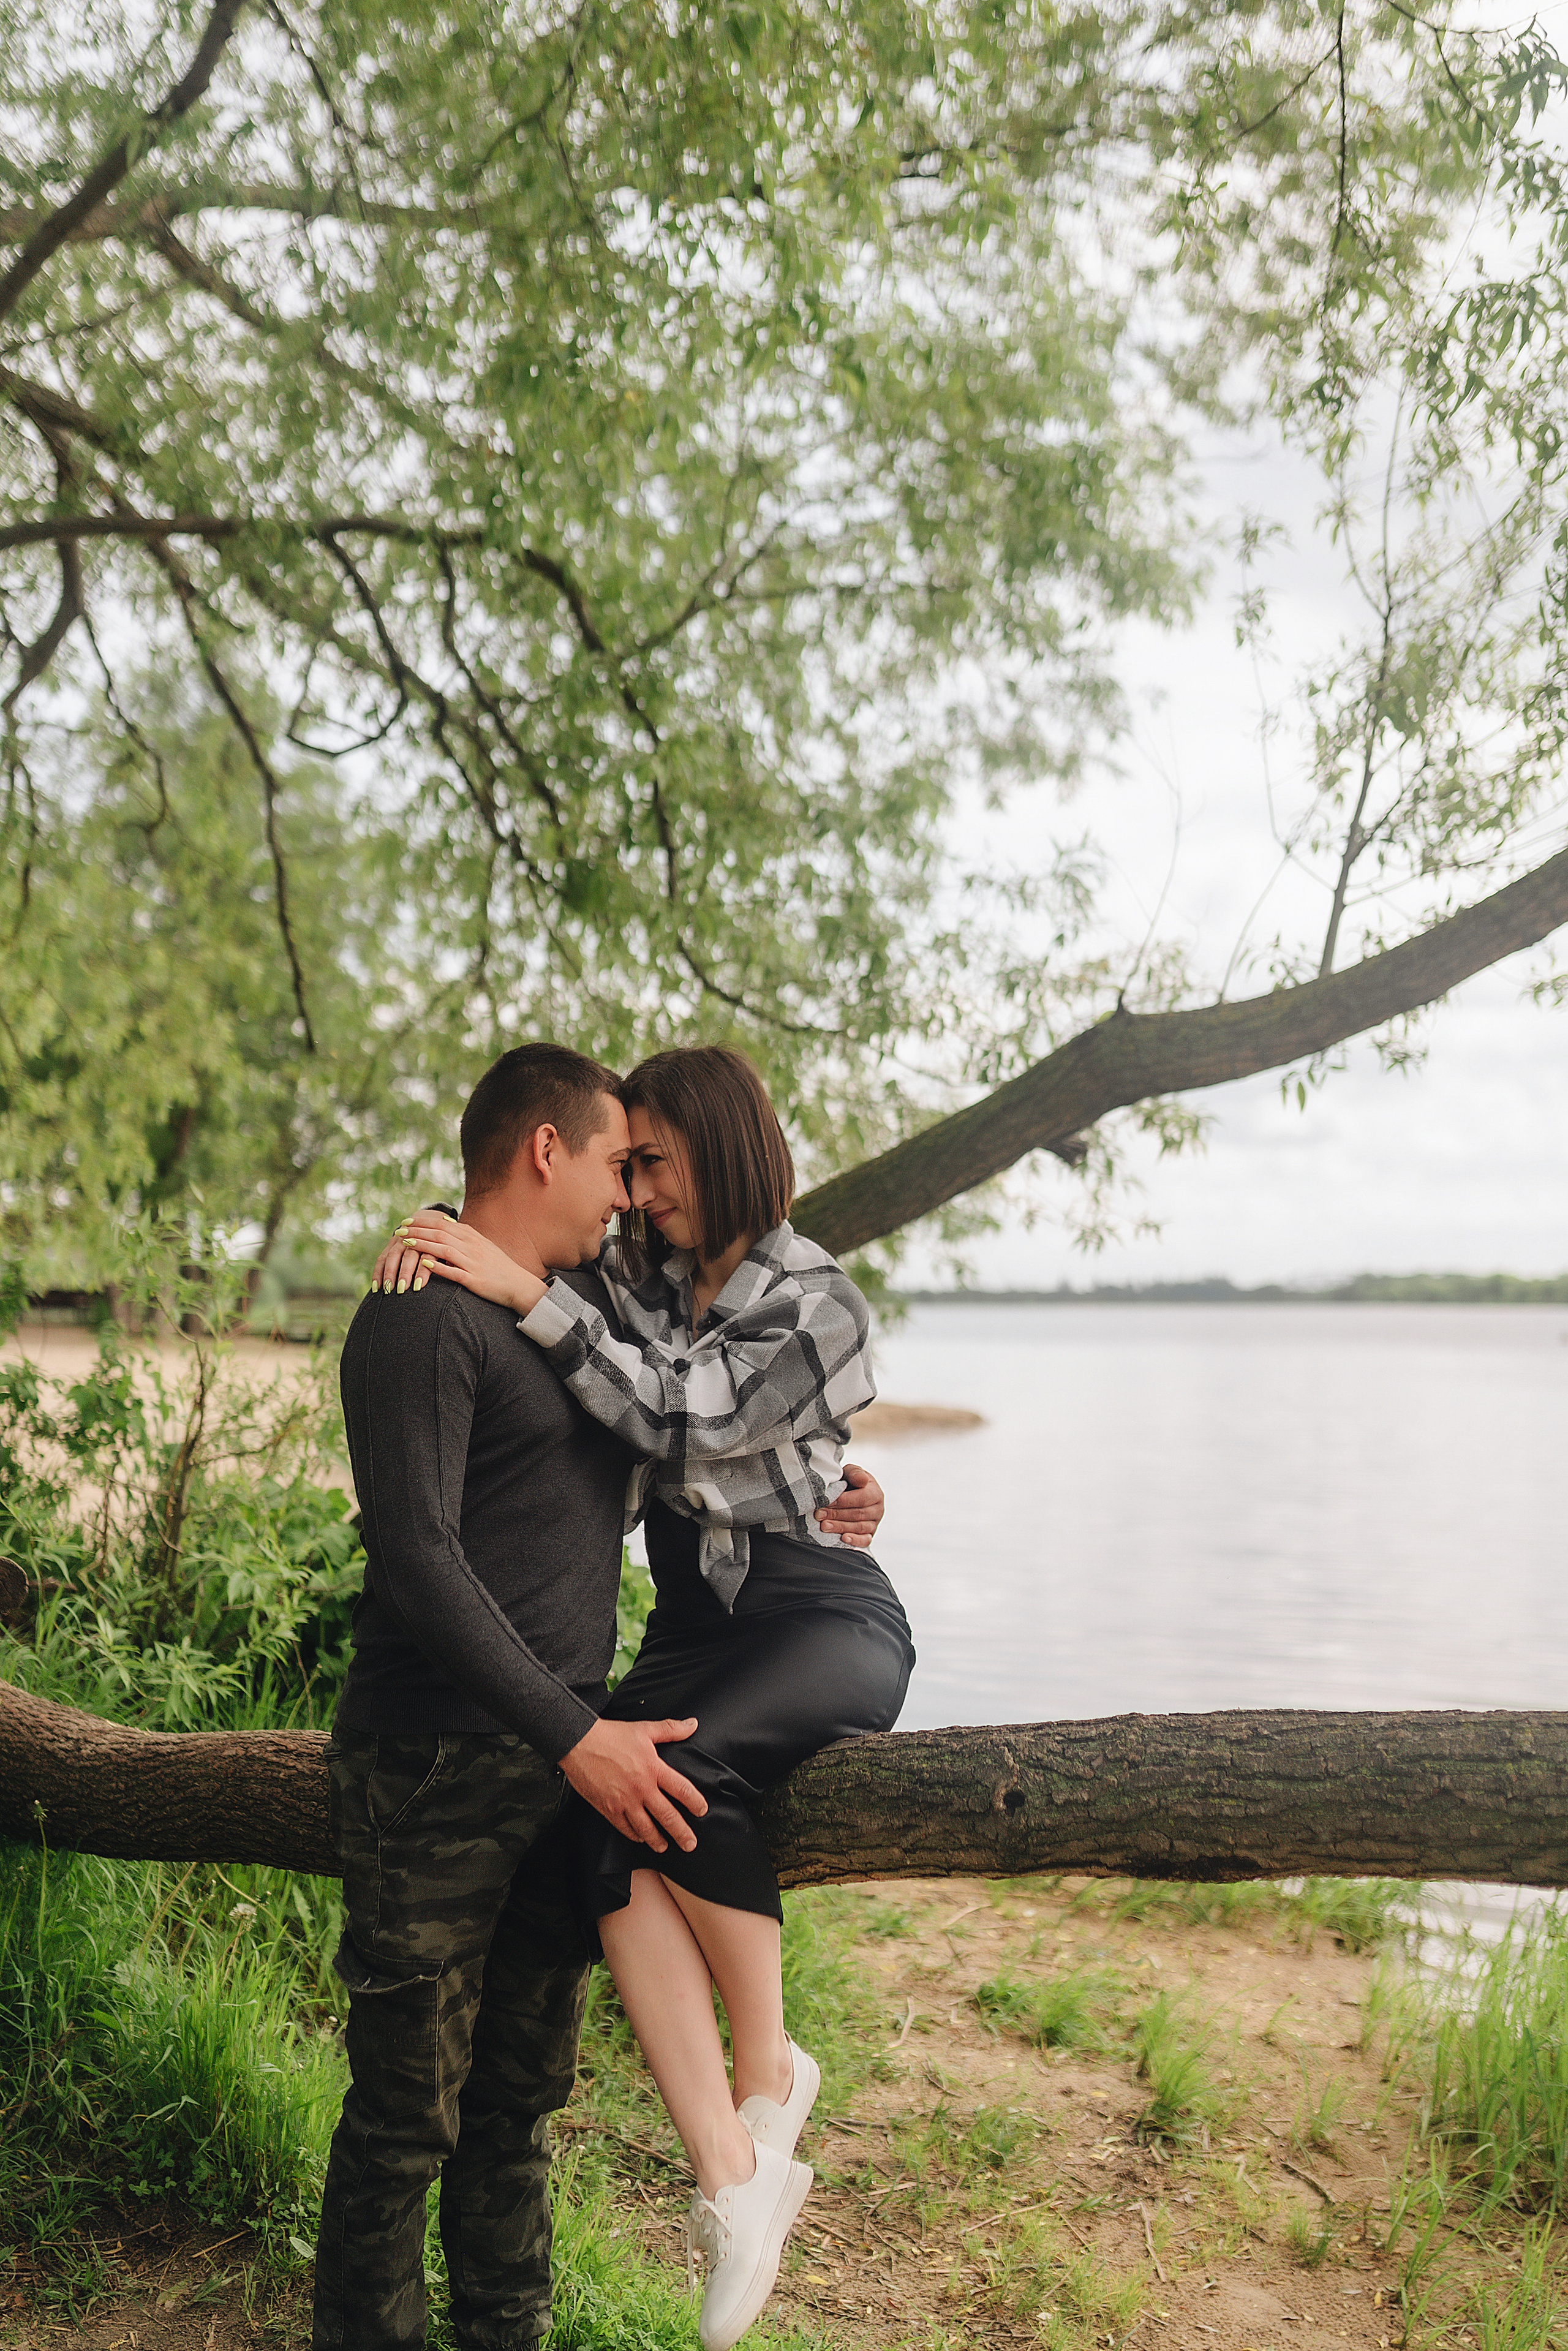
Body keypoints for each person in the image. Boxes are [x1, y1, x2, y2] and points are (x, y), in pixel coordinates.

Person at [317, 1042, 883, 2351]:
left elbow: (690, 1426)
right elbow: (414, 1557)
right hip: (435, 1763)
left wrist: (831, 1491)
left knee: (517, 2106)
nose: (630, 1196)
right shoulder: (424, 1306)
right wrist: (574, 1731)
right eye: (616, 1164)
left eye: (650, 1168)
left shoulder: (572, 1306)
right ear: (545, 1150)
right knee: (405, 2118)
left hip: (563, 1758)